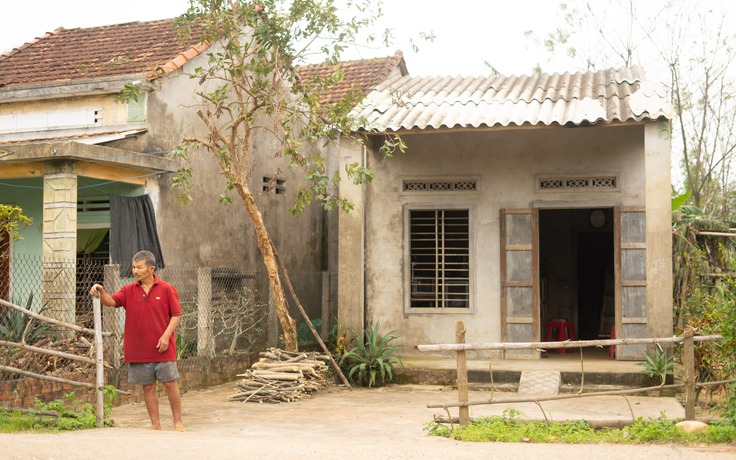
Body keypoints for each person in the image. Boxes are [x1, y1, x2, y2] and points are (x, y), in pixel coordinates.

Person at [90, 250, 185, 432]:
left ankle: (178, 422)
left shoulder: (166, 289)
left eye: (139, 267)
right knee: (148, 387)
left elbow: (176, 315)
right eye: (133, 267)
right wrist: (100, 290)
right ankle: (155, 424)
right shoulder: (128, 290)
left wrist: (166, 336)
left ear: (151, 268)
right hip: (138, 349)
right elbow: (110, 302)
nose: (135, 271)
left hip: (163, 348)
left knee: (170, 384)